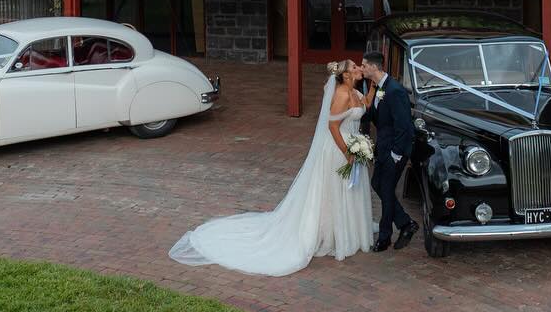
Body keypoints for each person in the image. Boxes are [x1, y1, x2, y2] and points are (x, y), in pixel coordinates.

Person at [168, 60, 373, 276]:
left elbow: (365, 105)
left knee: (347, 191)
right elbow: (332, 127)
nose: (359, 68)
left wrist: (375, 86)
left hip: (352, 143)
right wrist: (348, 152)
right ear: (346, 75)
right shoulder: (341, 95)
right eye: (354, 68)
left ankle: (346, 231)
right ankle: (330, 233)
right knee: (334, 191)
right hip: (338, 149)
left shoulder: (356, 93)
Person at [360, 49, 419, 252]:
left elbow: (404, 126)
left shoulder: (395, 90)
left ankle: (385, 238)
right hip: (383, 149)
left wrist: (396, 154)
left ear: (374, 67)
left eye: (364, 65)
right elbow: (380, 118)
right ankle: (405, 223)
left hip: (396, 151)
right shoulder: (379, 87)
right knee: (377, 184)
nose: (362, 68)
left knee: (385, 189)